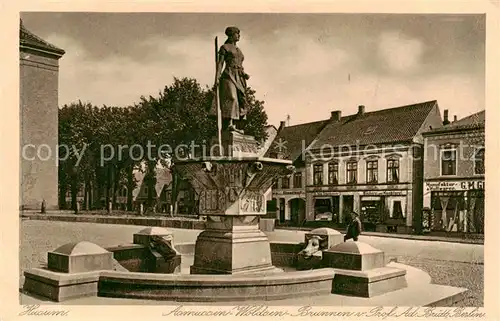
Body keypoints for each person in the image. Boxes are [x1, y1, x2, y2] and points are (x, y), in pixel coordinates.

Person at [212, 26, 250, 133]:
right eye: (237, 33)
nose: (239, 36)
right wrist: (217, 78)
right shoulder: (224, 47)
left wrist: (244, 74)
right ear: (231, 35)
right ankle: (229, 124)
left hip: (239, 77)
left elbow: (239, 65)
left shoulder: (239, 50)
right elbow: (219, 64)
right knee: (232, 98)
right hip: (228, 75)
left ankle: (236, 125)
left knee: (241, 100)